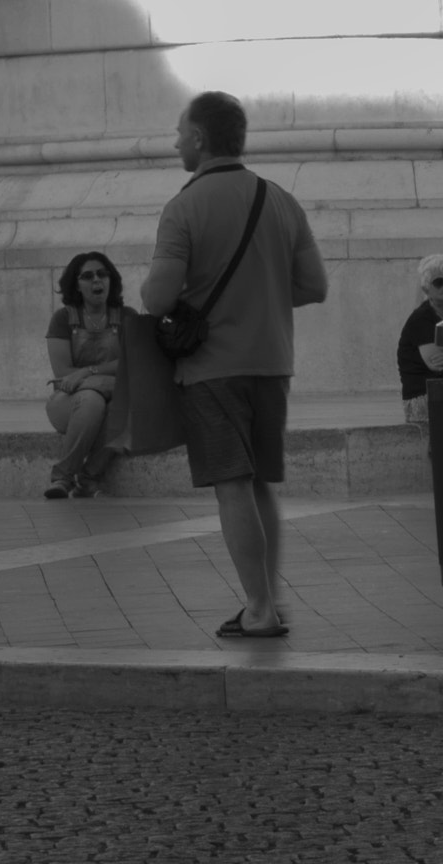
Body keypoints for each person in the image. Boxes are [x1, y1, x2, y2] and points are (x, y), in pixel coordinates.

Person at [138, 91, 327, 638]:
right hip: (272, 362)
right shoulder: (281, 199)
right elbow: (314, 286)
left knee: (232, 485)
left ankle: (260, 609)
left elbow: (157, 299)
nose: (175, 141)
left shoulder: (184, 207)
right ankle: (267, 599)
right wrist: (261, 295)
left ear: (199, 138)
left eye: (180, 132)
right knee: (261, 482)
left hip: (212, 369)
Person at [43, 252, 127, 498]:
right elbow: (63, 375)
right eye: (87, 276)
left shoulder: (126, 317)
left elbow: (132, 366)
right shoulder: (63, 319)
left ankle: (88, 478)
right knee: (92, 399)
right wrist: (105, 379)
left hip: (112, 396)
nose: (96, 281)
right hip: (69, 402)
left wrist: (87, 372)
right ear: (76, 285)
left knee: (125, 405)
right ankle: (63, 478)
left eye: (102, 274)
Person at [396, 254, 443, 423]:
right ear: (426, 289)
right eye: (439, 282)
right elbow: (439, 365)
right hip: (426, 396)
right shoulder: (421, 319)